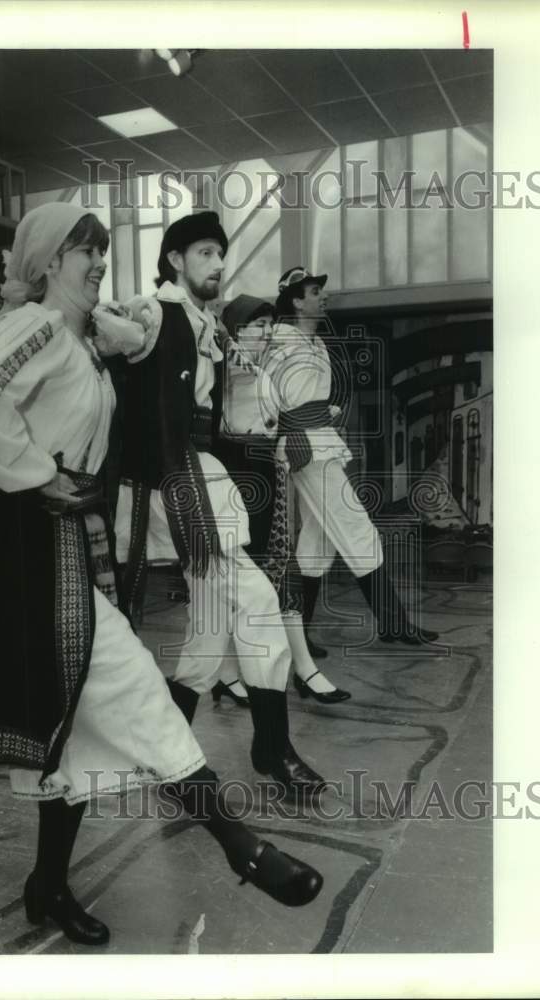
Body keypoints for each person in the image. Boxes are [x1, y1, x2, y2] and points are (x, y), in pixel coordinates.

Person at [0, 204, 324, 950]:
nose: (100, 261)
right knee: (134, 683)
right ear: (49, 261)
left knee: (73, 721)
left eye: (104, 249)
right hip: (25, 544)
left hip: (65, 539)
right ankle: (240, 845)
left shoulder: (79, 337)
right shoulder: (36, 326)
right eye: (86, 250)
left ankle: (47, 883)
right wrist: (36, 474)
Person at [114, 212, 326, 798]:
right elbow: (122, 364)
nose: (217, 264)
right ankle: (272, 749)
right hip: (177, 482)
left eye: (220, 254)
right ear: (175, 259)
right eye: (205, 253)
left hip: (199, 472)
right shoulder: (153, 312)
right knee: (258, 604)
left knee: (209, 629)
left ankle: (170, 760)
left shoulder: (202, 320)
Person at [267, 266, 440, 649]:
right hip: (306, 448)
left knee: (317, 543)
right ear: (297, 302)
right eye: (314, 291)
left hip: (320, 441)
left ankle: (296, 636)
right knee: (358, 528)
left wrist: (323, 412)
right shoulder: (280, 341)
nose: (323, 296)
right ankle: (394, 624)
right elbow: (269, 396)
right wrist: (293, 429)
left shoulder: (315, 342)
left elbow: (309, 394)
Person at [214, 294, 352, 706]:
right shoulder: (229, 362)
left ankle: (237, 673)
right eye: (258, 325)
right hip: (239, 470)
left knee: (264, 576)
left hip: (266, 471)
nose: (267, 331)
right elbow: (224, 352)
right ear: (238, 330)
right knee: (252, 578)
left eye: (269, 324)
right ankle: (299, 672)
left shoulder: (261, 369)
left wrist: (320, 412)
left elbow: (283, 414)